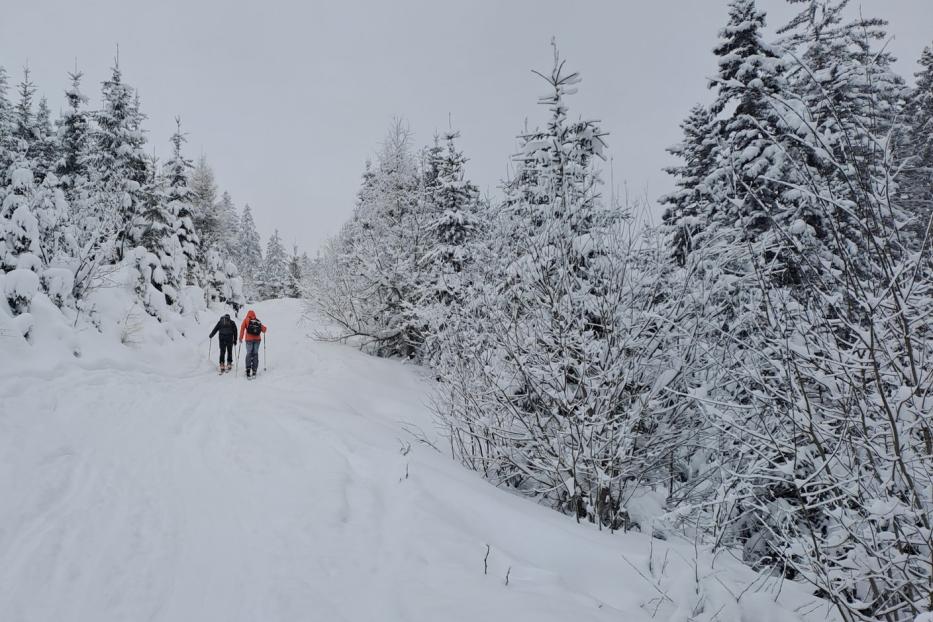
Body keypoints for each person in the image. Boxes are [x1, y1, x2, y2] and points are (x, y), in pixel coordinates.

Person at [239, 309, 267, 379]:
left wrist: (240, 338)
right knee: (255, 354)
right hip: (257, 340)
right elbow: (264, 329)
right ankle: (254, 370)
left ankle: (248, 370)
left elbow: (242, 329)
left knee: (249, 354)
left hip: (248, 340)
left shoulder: (246, 320)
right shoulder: (257, 321)